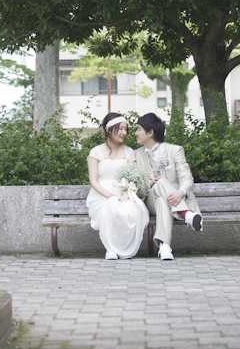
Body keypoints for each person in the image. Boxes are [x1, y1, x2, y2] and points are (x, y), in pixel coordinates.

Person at [135, 112, 202, 261]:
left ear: (150, 133)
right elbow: (135, 185)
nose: (136, 133)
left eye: (139, 129)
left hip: (174, 199)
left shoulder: (175, 150)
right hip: (150, 200)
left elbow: (186, 177)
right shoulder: (136, 155)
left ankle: (164, 246)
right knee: (160, 183)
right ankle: (187, 214)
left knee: (162, 201)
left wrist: (181, 192)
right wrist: (149, 184)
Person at [86, 112, 150, 260]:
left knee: (134, 209)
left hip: (124, 193)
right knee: (110, 208)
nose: (124, 132)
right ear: (109, 129)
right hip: (101, 195)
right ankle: (110, 249)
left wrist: (125, 193)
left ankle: (122, 246)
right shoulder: (96, 152)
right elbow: (93, 181)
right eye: (120, 128)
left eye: (125, 129)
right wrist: (110, 196)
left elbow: (130, 177)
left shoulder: (129, 152)